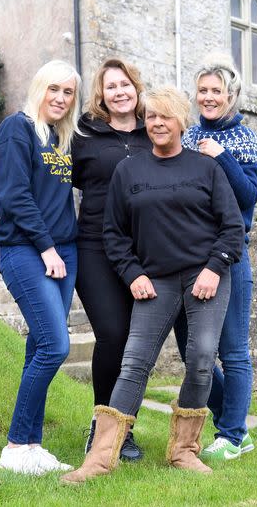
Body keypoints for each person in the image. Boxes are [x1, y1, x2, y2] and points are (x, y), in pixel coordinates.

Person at [61, 86, 244, 483]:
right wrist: (133, 274)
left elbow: (232, 228)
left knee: (200, 360)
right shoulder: (130, 171)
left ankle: (184, 451)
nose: (158, 123)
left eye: (166, 117)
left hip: (205, 279)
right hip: (154, 282)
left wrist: (214, 268)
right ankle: (100, 458)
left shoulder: (206, 168)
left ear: (182, 122)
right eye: (153, 117)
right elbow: (113, 234)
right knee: (133, 364)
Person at [0, 60, 81, 475]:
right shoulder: (18, 128)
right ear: (39, 88)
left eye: (68, 93)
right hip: (28, 251)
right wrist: (46, 249)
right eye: (54, 89)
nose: (61, 98)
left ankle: (31, 444)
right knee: (55, 346)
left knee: (38, 346)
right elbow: (15, 194)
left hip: (64, 251)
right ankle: (14, 447)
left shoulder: (62, 140)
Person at [174, 54, 257, 462]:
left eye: (217, 91)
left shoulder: (245, 141)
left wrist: (220, 156)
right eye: (203, 90)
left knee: (233, 350)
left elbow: (248, 197)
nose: (209, 97)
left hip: (230, 256)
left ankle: (231, 433)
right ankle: (234, 421)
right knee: (191, 348)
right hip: (188, 256)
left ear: (231, 96)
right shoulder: (188, 136)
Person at [72, 58, 151, 462]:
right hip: (94, 249)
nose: (119, 92)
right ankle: (102, 426)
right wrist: (9, 208)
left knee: (137, 346)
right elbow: (48, 177)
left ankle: (126, 429)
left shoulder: (150, 131)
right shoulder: (83, 134)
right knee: (113, 334)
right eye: (111, 86)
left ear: (136, 88)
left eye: (125, 84)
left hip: (142, 253)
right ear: (101, 95)